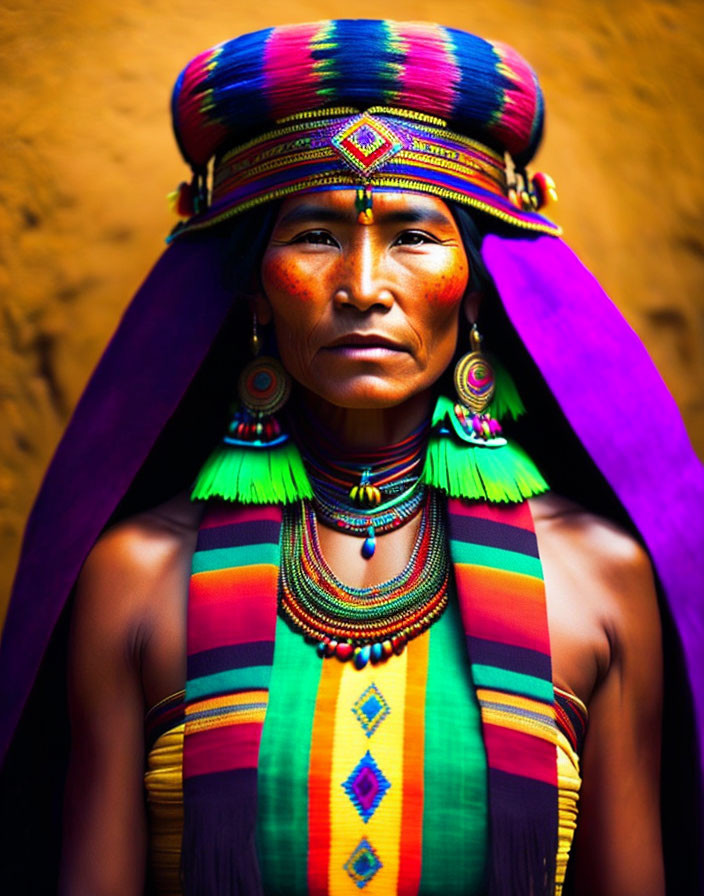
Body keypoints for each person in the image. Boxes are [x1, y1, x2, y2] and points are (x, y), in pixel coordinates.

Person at [1, 19, 702, 896]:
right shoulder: (138, 578)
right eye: (316, 236)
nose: (364, 285)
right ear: (256, 288)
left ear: (476, 287)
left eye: (413, 235)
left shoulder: (600, 580)